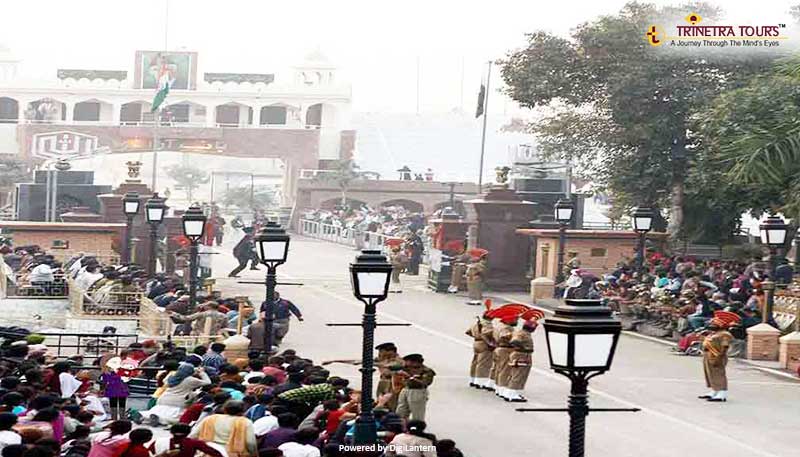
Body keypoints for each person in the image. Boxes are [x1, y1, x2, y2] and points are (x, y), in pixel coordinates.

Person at [141, 363, 211, 425]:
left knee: (158, 411)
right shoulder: (190, 380)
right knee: (175, 418)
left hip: (163, 398)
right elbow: (208, 382)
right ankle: (160, 419)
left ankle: (143, 416)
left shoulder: (171, 377)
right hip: (179, 402)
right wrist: (202, 373)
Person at [191, 401, 257, 457]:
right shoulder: (245, 422)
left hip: (207, 452)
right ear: (243, 411)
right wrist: (253, 454)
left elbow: (193, 436)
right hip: (231, 454)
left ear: (224, 409)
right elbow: (250, 443)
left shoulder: (210, 418)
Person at [699, 318, 734, 402]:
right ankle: (714, 390)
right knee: (710, 373)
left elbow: (725, 346)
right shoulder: (714, 333)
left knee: (718, 373)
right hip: (708, 355)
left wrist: (719, 356)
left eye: (714, 324)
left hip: (717, 356)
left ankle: (722, 393)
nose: (711, 325)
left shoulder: (725, 334)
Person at [395, 354, 435, 422]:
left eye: (408, 361)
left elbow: (425, 382)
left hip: (417, 391)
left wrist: (410, 377)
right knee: (401, 411)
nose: (406, 363)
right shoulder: (406, 368)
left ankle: (416, 429)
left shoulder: (426, 370)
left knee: (417, 414)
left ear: (415, 362)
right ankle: (400, 427)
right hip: (406, 389)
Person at [506, 319, 537, 402]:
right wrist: (523, 347)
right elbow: (514, 341)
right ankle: (511, 394)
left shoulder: (524, 333)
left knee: (519, 375)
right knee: (517, 375)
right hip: (521, 355)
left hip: (523, 355)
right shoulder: (522, 333)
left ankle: (512, 392)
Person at [153, 424, 224, 457]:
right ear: (189, 432)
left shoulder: (160, 441)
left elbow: (150, 453)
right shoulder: (194, 443)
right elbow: (215, 453)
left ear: (171, 432)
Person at [465, 314, 493, 390]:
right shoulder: (487, 324)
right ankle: (480, 381)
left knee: (475, 362)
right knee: (483, 363)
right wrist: (489, 342)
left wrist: (475, 336)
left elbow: (468, 332)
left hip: (476, 343)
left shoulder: (476, 324)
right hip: (483, 344)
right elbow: (484, 334)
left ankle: (472, 379)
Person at [491, 318, 514, 401]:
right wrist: (514, 335)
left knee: (499, 369)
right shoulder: (506, 328)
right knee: (505, 370)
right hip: (505, 349)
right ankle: (502, 389)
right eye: (515, 319)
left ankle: (497, 387)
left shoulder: (498, 326)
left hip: (499, 348)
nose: (517, 321)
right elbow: (504, 336)